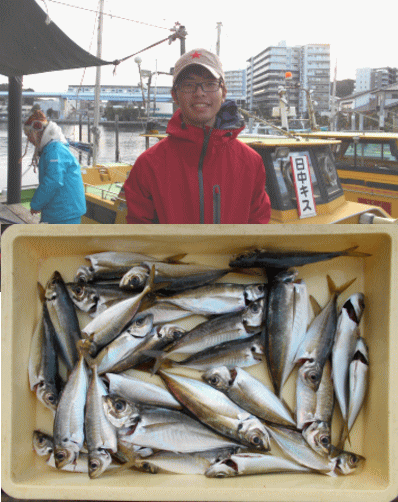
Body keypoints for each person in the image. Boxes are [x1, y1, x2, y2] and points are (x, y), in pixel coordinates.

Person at [123, 48, 271, 224]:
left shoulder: (251, 162)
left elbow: (258, 228)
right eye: (188, 85)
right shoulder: (148, 165)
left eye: (209, 84)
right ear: (175, 95)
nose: (199, 92)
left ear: (223, 92)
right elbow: (139, 234)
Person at [23, 107, 86, 224]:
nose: (29, 139)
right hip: (62, 211)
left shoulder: (54, 150)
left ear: (37, 131)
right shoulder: (53, 148)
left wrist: (36, 204)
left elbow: (53, 180)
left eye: (29, 135)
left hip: (64, 214)